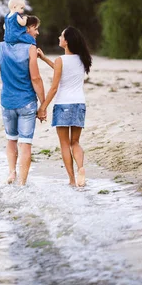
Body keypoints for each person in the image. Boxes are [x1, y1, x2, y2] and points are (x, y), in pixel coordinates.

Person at [0, 15, 46, 185]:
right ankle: (22, 182)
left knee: (11, 139)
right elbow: (35, 78)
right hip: (27, 102)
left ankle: (12, 173)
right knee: (25, 143)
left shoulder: (1, 47)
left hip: (7, 102)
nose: (37, 32)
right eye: (35, 28)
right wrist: (43, 104)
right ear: (26, 29)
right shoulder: (30, 49)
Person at [37, 26, 92, 187]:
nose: (59, 38)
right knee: (75, 142)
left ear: (66, 41)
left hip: (63, 104)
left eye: (61, 36)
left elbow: (54, 87)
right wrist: (45, 58)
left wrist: (43, 107)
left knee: (64, 144)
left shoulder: (61, 60)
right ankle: (81, 168)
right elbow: (61, 70)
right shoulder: (83, 59)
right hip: (79, 104)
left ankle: (72, 180)